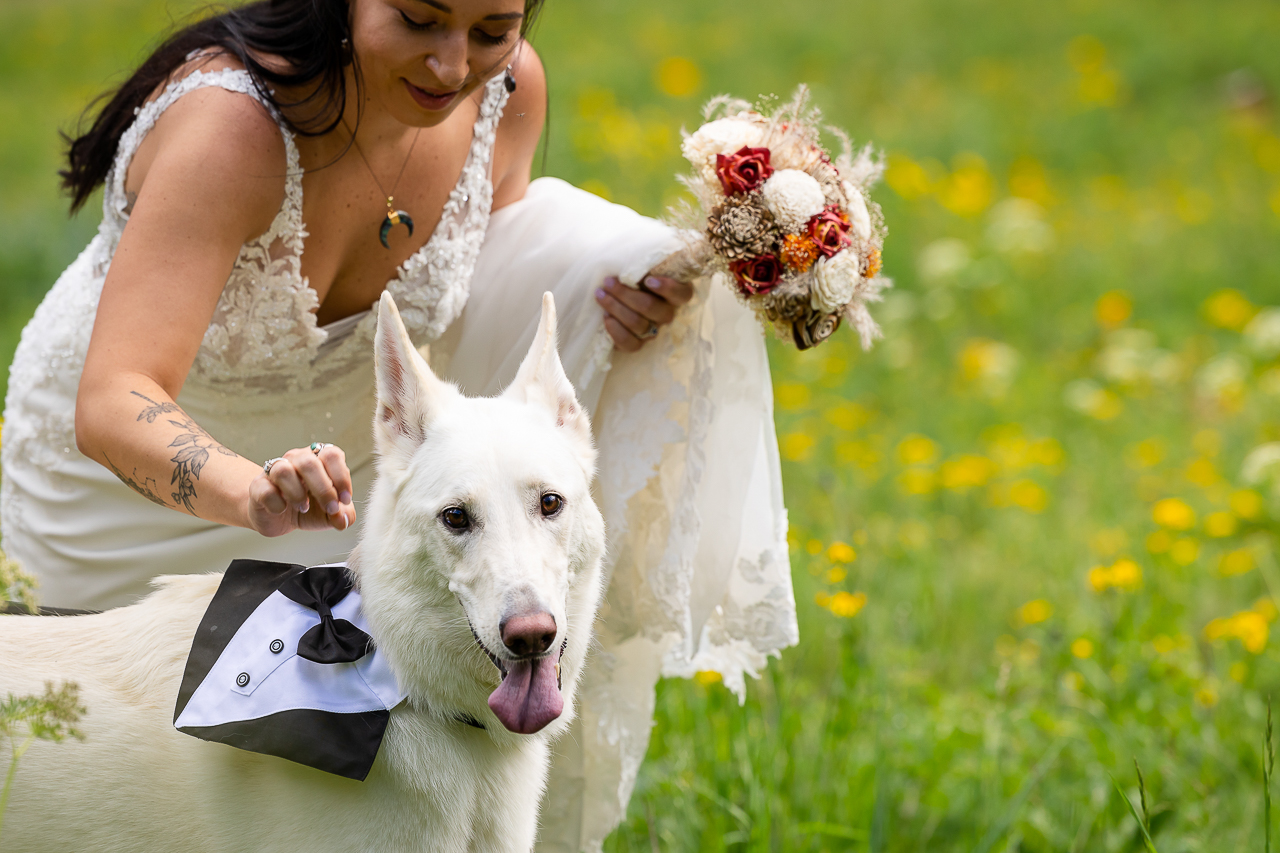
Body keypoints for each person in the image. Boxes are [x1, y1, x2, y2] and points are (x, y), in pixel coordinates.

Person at [0, 1, 797, 849]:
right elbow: (114, 394)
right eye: (418, 20)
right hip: (133, 491)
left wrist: (612, 288)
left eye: (492, 31)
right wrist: (255, 493)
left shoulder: (508, 89)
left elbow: (484, 259)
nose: (454, 67)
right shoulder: (229, 129)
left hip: (353, 505)